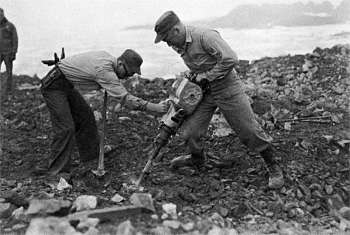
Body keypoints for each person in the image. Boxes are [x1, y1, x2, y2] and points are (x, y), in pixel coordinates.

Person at [153, 11, 284, 189]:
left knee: (248, 130)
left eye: (167, 39)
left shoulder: (205, 36)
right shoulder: (180, 43)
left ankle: (273, 166)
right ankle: (198, 160)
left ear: (176, 30)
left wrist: (206, 76)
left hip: (227, 87)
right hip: (204, 91)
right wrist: (194, 76)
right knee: (189, 132)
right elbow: (200, 64)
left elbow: (231, 58)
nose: (168, 44)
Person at [34, 49, 168, 176]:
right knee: (66, 128)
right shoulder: (104, 70)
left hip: (67, 83)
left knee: (86, 117)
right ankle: (57, 171)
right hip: (53, 86)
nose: (128, 77)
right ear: (120, 64)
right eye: (128, 73)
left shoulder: (108, 60)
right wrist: (155, 108)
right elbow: (126, 100)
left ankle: (91, 156)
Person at [0, 8, 18, 96]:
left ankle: (8, 90)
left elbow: (15, 39)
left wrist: (14, 52)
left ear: (3, 14)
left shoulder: (10, 26)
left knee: (9, 72)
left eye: (0, 14)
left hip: (8, 53)